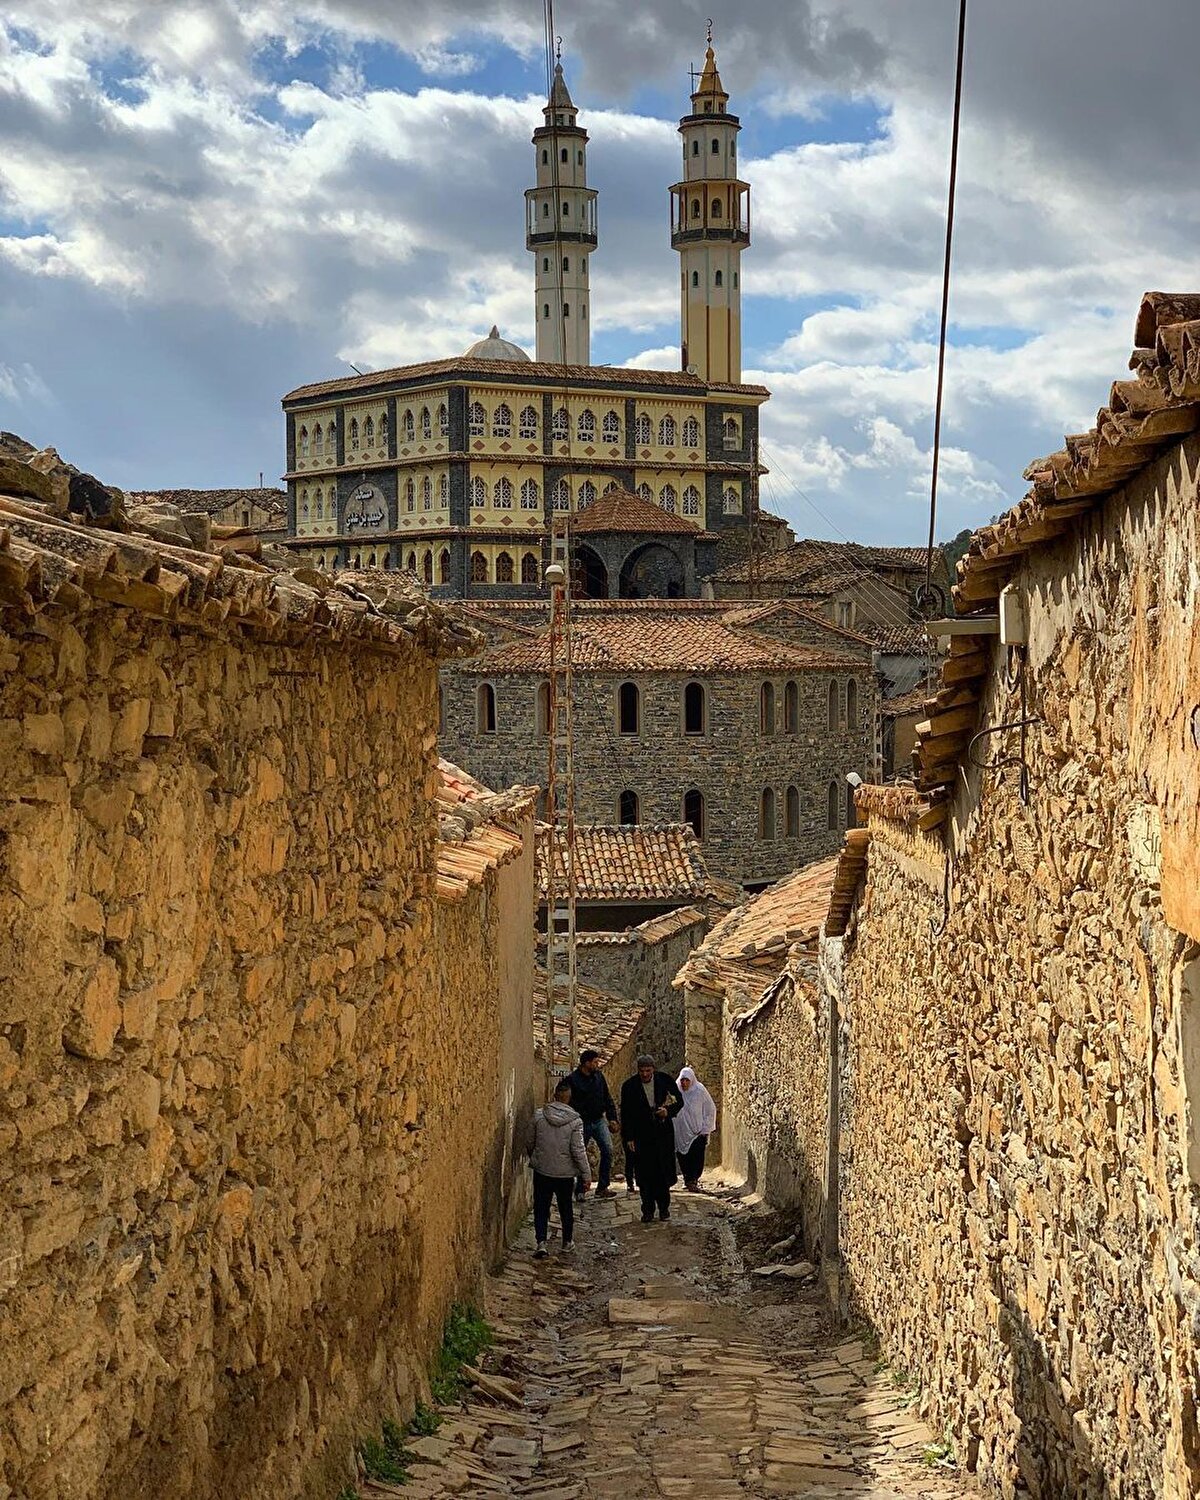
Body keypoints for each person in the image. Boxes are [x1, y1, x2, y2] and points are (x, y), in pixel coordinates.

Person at [529, 1079, 591, 1257]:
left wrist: (535, 1156)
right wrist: (586, 1175)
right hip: (564, 1173)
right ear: (569, 1098)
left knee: (541, 1206)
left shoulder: (539, 1116)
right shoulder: (575, 1121)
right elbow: (578, 1150)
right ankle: (567, 1242)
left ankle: (541, 1242)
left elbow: (529, 1140)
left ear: (554, 1095)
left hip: (542, 1170)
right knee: (566, 1208)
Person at [619, 1055, 684, 1223]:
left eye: (648, 1071)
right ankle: (647, 1210)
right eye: (642, 1071)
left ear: (653, 1069)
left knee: (662, 1173)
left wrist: (667, 1111)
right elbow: (626, 1114)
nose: (645, 1074)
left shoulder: (664, 1081)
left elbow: (679, 1101)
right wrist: (629, 1138)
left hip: (662, 1134)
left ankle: (664, 1209)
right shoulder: (629, 1087)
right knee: (644, 1174)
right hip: (641, 1136)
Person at [565, 1049, 619, 1200]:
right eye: (595, 1062)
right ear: (586, 1063)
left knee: (608, 1150)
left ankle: (602, 1186)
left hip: (599, 1120)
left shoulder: (599, 1077)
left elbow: (607, 1098)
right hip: (581, 1122)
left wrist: (612, 1118)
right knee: (580, 1155)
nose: (598, 1064)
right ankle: (580, 1188)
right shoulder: (572, 1080)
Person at [673, 1066, 718, 1190]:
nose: (684, 1083)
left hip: (697, 1132)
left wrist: (705, 1128)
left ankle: (693, 1179)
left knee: (696, 1157)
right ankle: (687, 1179)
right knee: (682, 1157)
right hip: (681, 1133)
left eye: (687, 1080)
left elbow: (710, 1109)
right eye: (682, 1080)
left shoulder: (700, 1091)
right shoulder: (676, 1091)